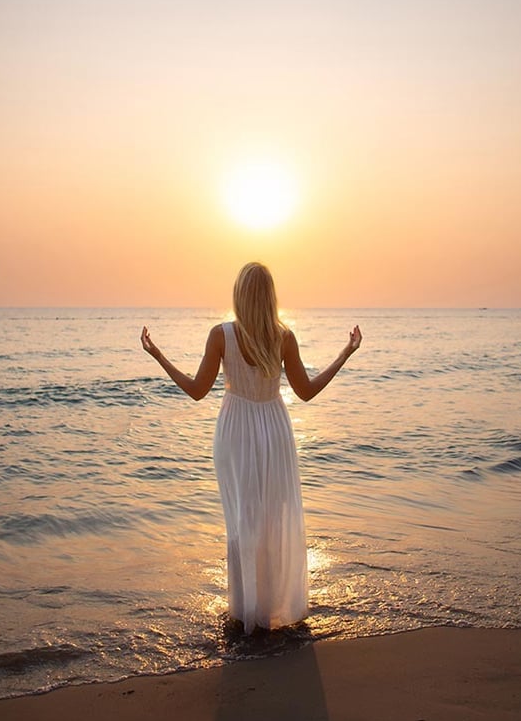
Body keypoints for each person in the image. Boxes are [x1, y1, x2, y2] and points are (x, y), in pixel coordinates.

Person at [141, 262, 362, 633]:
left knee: (242, 519)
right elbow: (306, 392)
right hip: (274, 428)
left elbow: (197, 391)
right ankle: (270, 608)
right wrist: (345, 352)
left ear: (240, 295)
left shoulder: (220, 335)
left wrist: (158, 355)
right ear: (270, 296)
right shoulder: (283, 336)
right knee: (273, 517)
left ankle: (246, 610)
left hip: (235, 429)